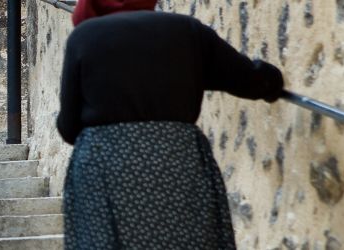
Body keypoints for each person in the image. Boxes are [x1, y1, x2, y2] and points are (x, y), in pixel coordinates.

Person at [57, 0, 286, 249]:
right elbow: (250, 79)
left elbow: (68, 127)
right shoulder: (187, 30)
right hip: (177, 160)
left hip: (105, 165)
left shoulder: (84, 37)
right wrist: (271, 81)